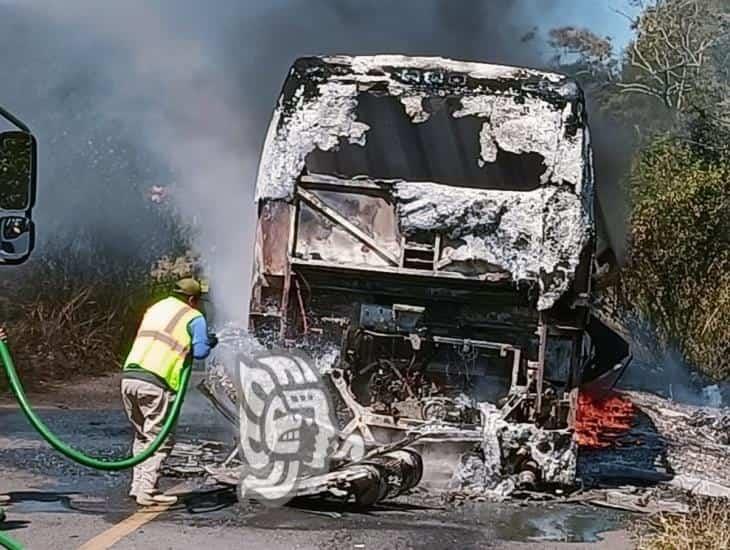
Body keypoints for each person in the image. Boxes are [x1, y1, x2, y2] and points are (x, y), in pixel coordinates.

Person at [121, 278, 217, 506]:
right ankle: (148, 492)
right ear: (193, 299)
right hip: (156, 382)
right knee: (159, 438)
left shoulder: (156, 307)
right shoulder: (194, 317)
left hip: (130, 377)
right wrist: (211, 341)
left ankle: (138, 487)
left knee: (143, 436)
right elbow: (201, 351)